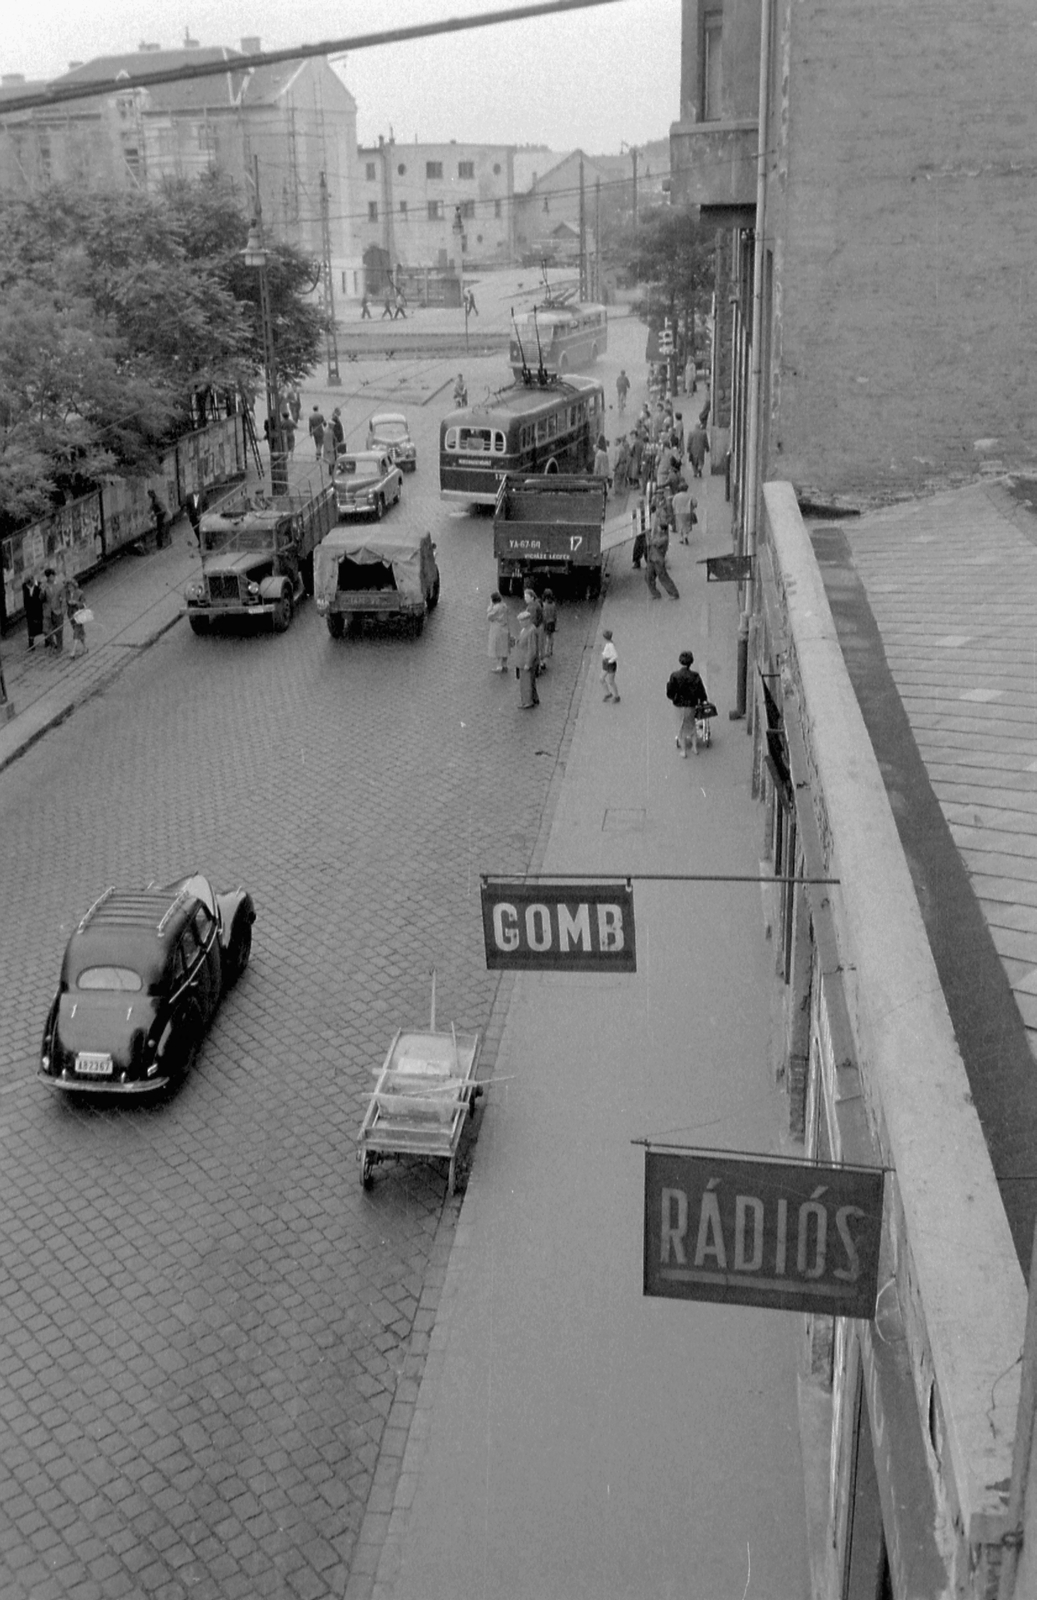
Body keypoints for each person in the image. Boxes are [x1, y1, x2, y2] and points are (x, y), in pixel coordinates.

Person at [666, 650, 708, 756]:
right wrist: (703, 700)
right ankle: (694, 748)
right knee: (692, 725)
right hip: (691, 705)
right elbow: (701, 691)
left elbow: (670, 691)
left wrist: (674, 698)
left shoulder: (674, 676)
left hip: (679, 705)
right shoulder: (695, 676)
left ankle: (684, 751)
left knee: (681, 727)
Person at [646, 503, 680, 600]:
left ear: (663, 529)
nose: (658, 528)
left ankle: (674, 593)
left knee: (663, 577)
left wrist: (648, 537)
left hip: (658, 560)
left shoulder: (664, 539)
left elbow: (652, 542)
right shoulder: (658, 535)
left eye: (659, 527)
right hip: (652, 558)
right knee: (648, 577)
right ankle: (655, 594)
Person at [514, 611, 540, 708]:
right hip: (522, 660)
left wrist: (528, 663)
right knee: (530, 681)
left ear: (527, 620)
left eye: (522, 621)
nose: (520, 623)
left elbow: (532, 649)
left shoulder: (531, 631)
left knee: (526, 683)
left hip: (526, 661)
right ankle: (533, 698)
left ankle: (527, 701)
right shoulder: (525, 629)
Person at [486, 591, 511, 673]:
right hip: (505, 628)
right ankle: (504, 665)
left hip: (497, 630)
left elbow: (489, 616)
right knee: (504, 647)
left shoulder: (496, 608)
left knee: (498, 647)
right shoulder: (504, 606)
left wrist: (490, 606)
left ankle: (499, 666)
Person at [42, 566, 65, 652]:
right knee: (46, 630)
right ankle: (52, 643)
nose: (51, 578)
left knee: (59, 630)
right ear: (47, 577)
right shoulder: (44, 586)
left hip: (57, 610)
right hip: (47, 611)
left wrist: (63, 610)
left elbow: (63, 599)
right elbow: (41, 599)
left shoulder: (60, 585)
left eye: (53, 576)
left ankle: (60, 646)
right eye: (49, 577)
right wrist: (42, 592)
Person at [65, 576, 88, 659]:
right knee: (79, 631)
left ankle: (73, 651)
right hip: (71, 615)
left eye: (71, 586)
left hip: (78, 614)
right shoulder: (67, 593)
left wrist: (75, 603)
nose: (69, 588)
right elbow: (66, 602)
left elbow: (84, 604)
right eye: (68, 587)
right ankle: (85, 647)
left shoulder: (80, 593)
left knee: (76, 631)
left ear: (74, 586)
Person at [22, 572, 44, 651]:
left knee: (42, 625)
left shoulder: (39, 586)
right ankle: (31, 644)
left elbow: (42, 597)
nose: (29, 585)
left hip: (38, 609)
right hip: (30, 610)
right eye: (27, 583)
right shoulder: (24, 586)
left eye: (29, 583)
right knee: (31, 627)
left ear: (32, 580)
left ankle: (48, 640)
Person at [600, 629, 620, 702]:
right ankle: (608, 693)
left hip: (610, 664)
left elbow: (615, 656)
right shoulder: (607, 644)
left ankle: (617, 696)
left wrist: (610, 661)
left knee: (611, 681)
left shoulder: (610, 645)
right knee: (601, 678)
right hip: (605, 663)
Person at [541, 589, 557, 659]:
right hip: (552, 622)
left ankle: (546, 651)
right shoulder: (553, 604)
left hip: (547, 623)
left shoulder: (545, 605)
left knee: (547, 637)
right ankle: (551, 649)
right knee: (551, 636)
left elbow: (544, 615)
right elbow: (555, 615)